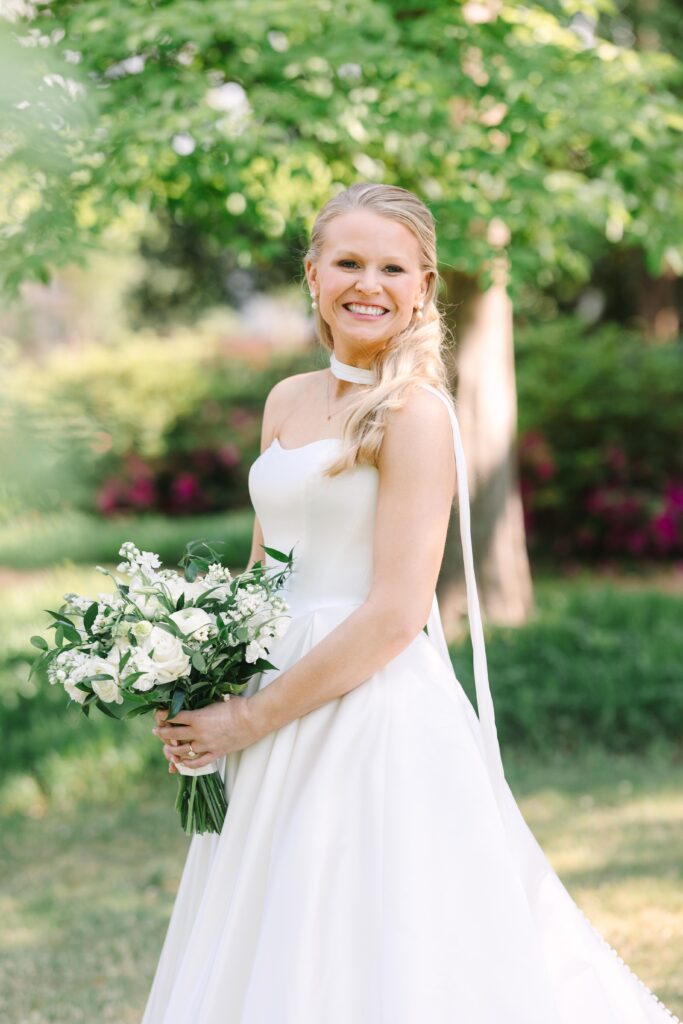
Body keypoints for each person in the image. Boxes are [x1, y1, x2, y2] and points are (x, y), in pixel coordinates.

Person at [142, 183, 679, 1023]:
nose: (369, 283)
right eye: (348, 262)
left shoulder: (414, 415)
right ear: (313, 274)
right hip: (270, 691)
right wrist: (200, 685)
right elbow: (262, 570)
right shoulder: (286, 399)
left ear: (423, 287)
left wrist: (252, 720)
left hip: (365, 708)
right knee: (267, 920)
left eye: (393, 267)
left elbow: (396, 614)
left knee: (364, 931)